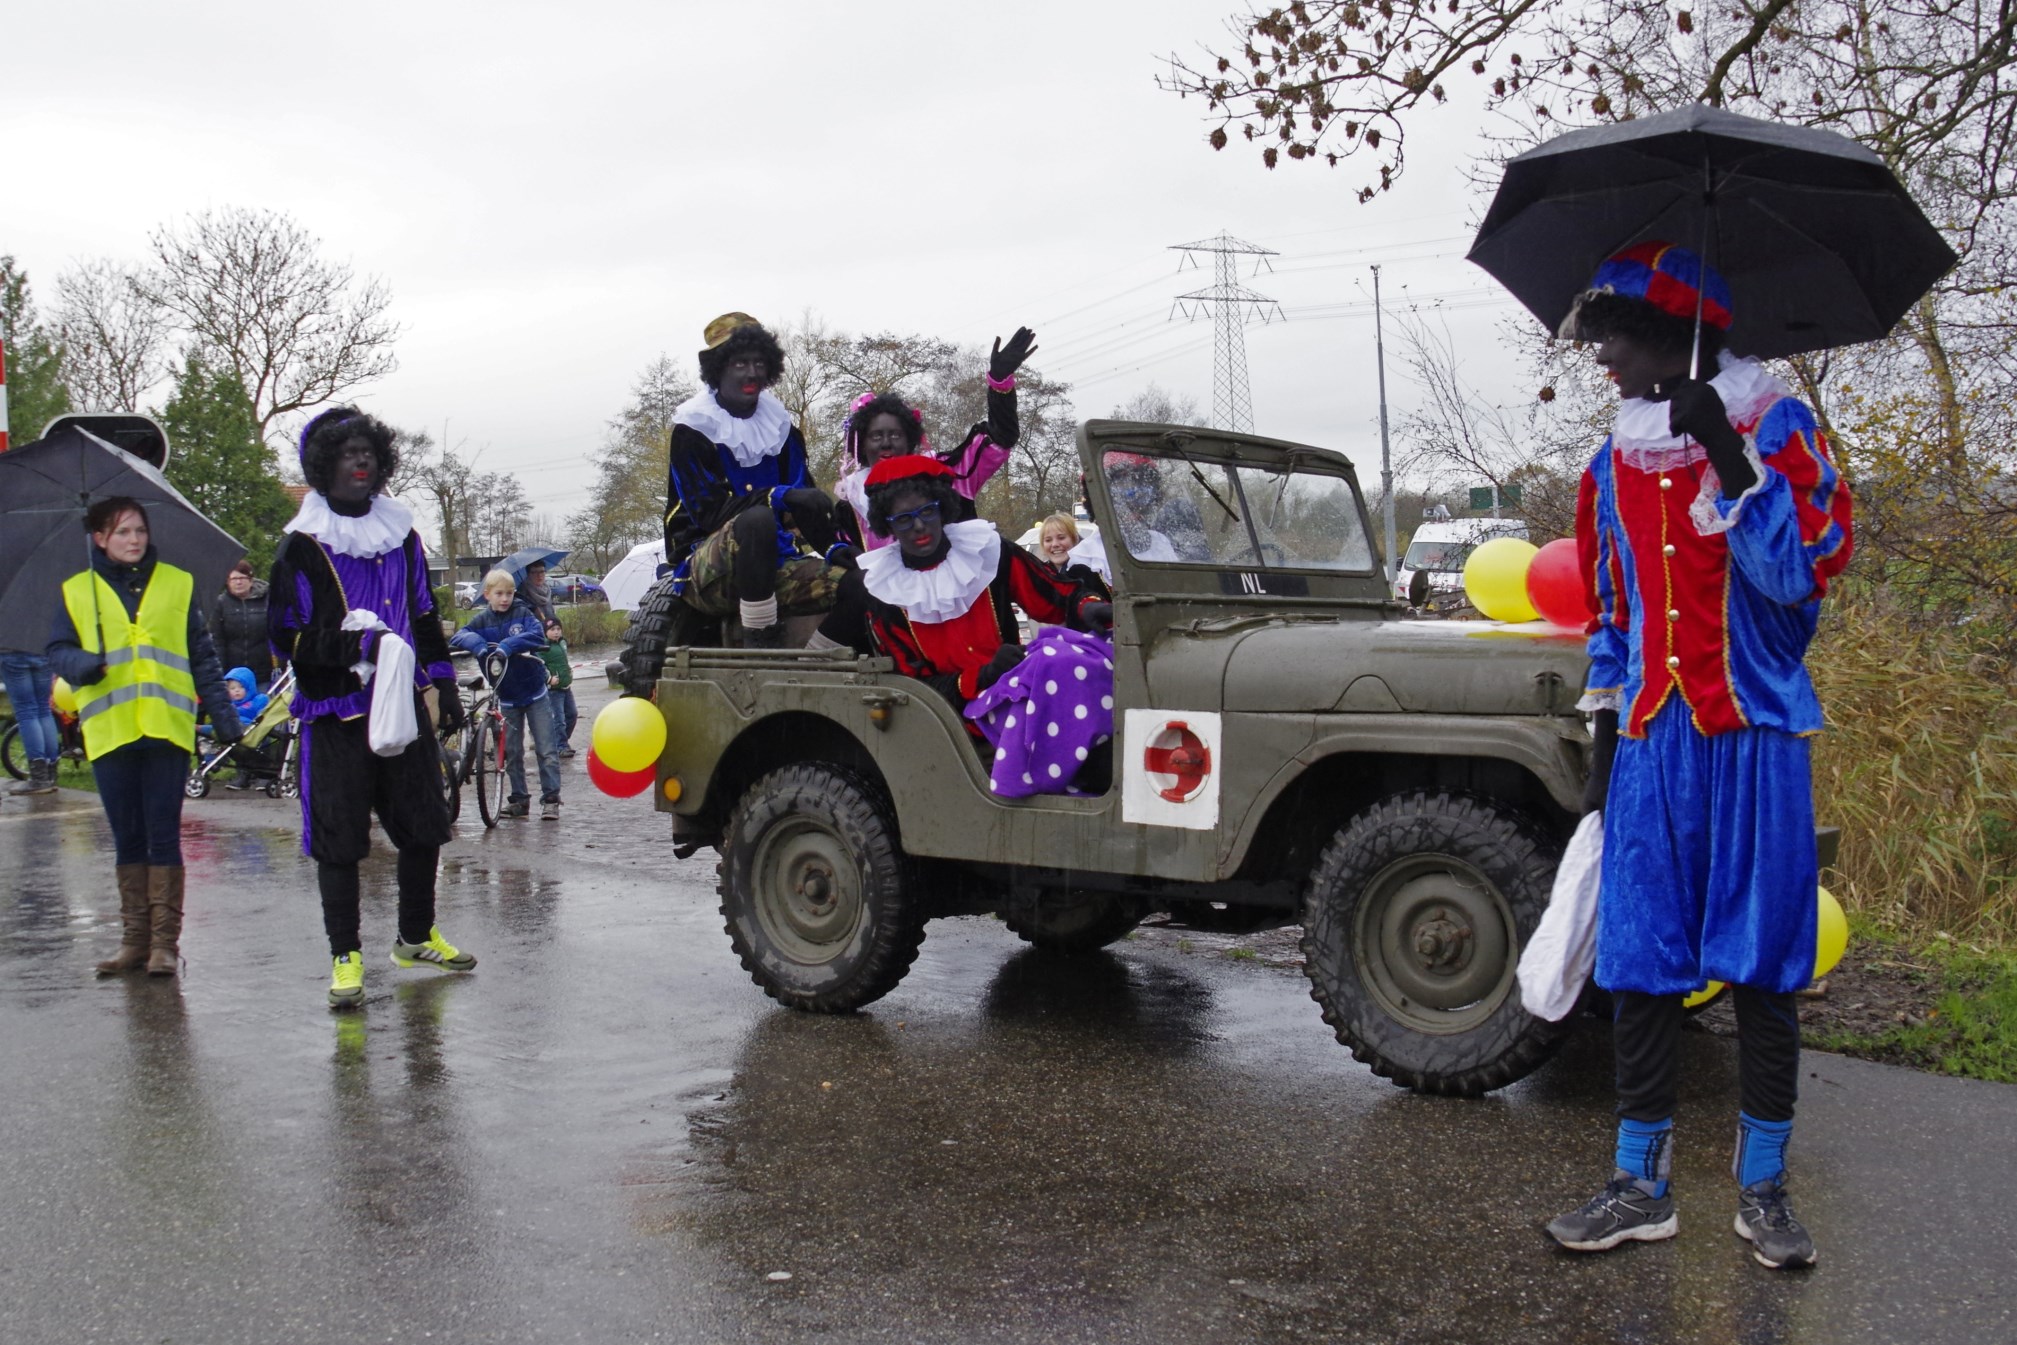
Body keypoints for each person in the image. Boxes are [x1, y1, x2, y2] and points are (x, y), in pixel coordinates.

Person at [1543, 243, 1853, 1270]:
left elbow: (1794, 583)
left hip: (1754, 731)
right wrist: (1603, 736)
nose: (1603, 363)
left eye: (1615, 340)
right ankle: (1641, 1184)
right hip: (1652, 738)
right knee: (1637, 959)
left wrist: (1726, 450)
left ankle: (1762, 1191)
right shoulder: (1610, 461)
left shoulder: (1774, 426)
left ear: (1677, 333)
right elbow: (1612, 612)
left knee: (1764, 960)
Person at [270, 407, 474, 1010]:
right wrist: (358, 645)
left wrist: (444, 681)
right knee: (337, 838)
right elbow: (289, 640)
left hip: (401, 708)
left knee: (424, 824)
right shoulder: (302, 547)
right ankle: (345, 957)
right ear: (324, 465)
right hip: (334, 712)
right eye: (346, 453)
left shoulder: (402, 535)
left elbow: (422, 615)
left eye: (368, 453)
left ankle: (414, 936)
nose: (360, 462)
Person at [811, 456, 1113, 795]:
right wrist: (983, 676)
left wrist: (1089, 608)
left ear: (942, 508)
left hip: (1021, 688)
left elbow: (1054, 595)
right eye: (904, 520)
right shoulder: (885, 593)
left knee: (1073, 659)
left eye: (927, 512)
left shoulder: (988, 552)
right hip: (954, 718)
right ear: (888, 525)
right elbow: (912, 687)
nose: (920, 527)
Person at [47, 497, 242, 976]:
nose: (133, 540)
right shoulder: (77, 591)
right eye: (121, 533)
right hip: (111, 732)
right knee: (126, 837)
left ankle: (164, 945)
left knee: (162, 835)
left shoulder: (178, 584)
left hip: (167, 731)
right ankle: (133, 940)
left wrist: (223, 715)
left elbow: (202, 656)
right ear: (99, 538)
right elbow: (57, 650)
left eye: (139, 530)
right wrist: (85, 665)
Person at [663, 313, 846, 647]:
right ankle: (759, 635)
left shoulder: (782, 430)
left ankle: (819, 658)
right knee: (757, 520)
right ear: (718, 369)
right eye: (739, 363)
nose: (752, 373)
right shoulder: (693, 430)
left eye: (759, 363)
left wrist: (834, 547)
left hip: (777, 564)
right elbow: (709, 512)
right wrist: (778, 497)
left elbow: (803, 501)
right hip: (710, 571)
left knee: (854, 585)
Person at [830, 327, 1039, 553]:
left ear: (910, 439)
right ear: (861, 444)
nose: (886, 443)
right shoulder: (851, 502)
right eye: (876, 436)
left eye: (895, 434)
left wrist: (999, 385)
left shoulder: (945, 474)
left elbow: (1000, 438)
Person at [451, 570, 562, 820]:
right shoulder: (481, 620)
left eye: (509, 593)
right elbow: (459, 635)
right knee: (511, 752)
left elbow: (535, 634)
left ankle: (551, 799)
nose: (505, 599)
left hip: (534, 692)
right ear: (487, 595)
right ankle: (519, 800)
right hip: (507, 695)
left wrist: (507, 647)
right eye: (499, 594)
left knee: (546, 749)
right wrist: (478, 646)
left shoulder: (523, 613)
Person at [2, 645, 61, 795]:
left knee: (26, 712)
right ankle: (50, 775)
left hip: (11, 650)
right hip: (43, 649)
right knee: (44, 709)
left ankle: (39, 779)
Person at [210, 560, 274, 690]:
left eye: (242, 578)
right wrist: (220, 672)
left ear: (251, 580)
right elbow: (217, 640)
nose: (238, 582)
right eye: (234, 579)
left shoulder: (268, 600)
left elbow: (276, 634)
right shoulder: (220, 604)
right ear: (228, 581)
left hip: (263, 673)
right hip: (233, 676)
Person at [540, 618, 578, 758]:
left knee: (572, 715)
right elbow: (539, 665)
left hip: (566, 687)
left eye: (558, 629)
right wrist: (548, 678)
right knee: (559, 719)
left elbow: (563, 661)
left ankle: (561, 742)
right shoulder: (543, 646)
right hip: (553, 690)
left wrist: (568, 671)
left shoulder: (562, 643)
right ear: (546, 632)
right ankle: (560, 746)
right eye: (552, 630)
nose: (556, 632)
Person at [520, 560, 559, 627]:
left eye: (542, 571)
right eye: (534, 572)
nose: (539, 575)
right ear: (528, 574)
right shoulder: (522, 594)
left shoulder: (547, 590)